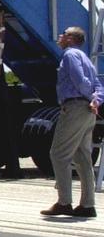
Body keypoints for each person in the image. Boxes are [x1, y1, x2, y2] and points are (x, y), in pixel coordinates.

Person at [42, 26, 101, 219]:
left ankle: (64, 202)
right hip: (88, 111)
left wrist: (87, 97)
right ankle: (87, 205)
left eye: (63, 34)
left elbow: (78, 80)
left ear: (70, 38)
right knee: (83, 156)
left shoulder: (70, 55)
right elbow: (98, 85)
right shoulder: (87, 59)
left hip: (75, 107)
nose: (59, 36)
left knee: (58, 154)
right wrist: (95, 100)